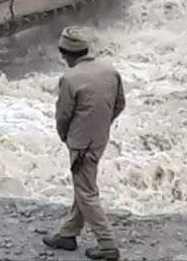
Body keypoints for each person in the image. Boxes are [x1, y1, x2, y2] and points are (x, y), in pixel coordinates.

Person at [42, 26, 126, 260]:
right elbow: (120, 103)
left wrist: (65, 136)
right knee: (84, 185)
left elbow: (63, 115)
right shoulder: (109, 70)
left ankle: (107, 243)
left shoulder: (70, 78)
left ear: (66, 53)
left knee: (87, 192)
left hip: (80, 143)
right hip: (99, 138)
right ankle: (68, 233)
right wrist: (102, 123)